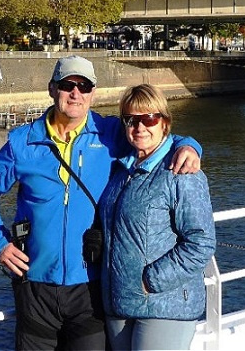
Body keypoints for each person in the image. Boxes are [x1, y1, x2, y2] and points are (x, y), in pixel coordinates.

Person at [0, 56, 203, 351]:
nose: (75, 93)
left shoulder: (109, 134)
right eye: (68, 85)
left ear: (93, 92)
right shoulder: (23, 142)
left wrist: (189, 145)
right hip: (35, 284)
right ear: (53, 89)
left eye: (84, 86)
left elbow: (154, 134)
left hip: (90, 286)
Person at [99, 84, 216, 351]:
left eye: (149, 118)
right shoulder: (120, 170)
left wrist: (150, 280)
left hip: (165, 304)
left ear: (164, 123)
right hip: (119, 301)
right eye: (131, 120)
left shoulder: (182, 172)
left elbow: (201, 243)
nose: (140, 127)